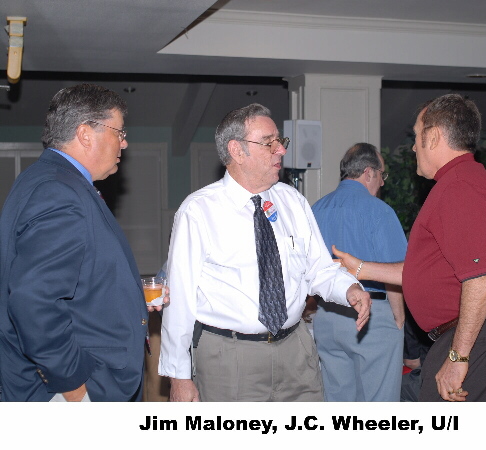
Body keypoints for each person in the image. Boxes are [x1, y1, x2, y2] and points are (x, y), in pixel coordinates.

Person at [159, 103, 371, 402]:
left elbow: (319, 270)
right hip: (230, 357)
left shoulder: (293, 202)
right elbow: (179, 299)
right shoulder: (198, 211)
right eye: (268, 142)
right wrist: (179, 376)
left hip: (297, 351)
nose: (281, 150)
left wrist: (349, 288)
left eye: (279, 141)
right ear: (237, 150)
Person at [333, 93, 486, 401]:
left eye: (416, 136)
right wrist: (359, 268)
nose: (414, 147)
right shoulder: (460, 181)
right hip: (483, 336)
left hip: (478, 339)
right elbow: (429, 271)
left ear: (434, 136)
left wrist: (458, 357)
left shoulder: (460, 186)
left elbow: (481, 278)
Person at [0, 83, 162, 402]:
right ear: (86, 134)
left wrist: (129, 297)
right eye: (119, 132)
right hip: (66, 391)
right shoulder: (59, 192)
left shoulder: (48, 179)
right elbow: (34, 300)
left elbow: (76, 282)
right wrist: (74, 386)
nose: (124, 142)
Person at [311, 143, 407, 401]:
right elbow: (397, 271)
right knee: (379, 404)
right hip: (372, 316)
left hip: (327, 315)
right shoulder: (379, 211)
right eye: (382, 175)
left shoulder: (315, 209)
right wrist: (398, 319)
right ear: (368, 172)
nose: (382, 183)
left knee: (338, 402)